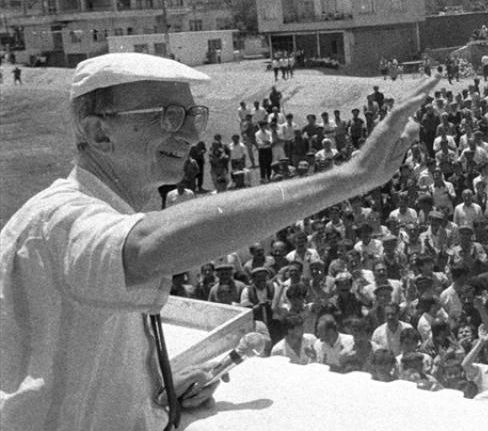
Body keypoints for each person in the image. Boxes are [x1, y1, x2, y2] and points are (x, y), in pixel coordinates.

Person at [0, 52, 434, 429]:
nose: (191, 134)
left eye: (193, 116)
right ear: (98, 133)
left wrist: (156, 386)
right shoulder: (59, 220)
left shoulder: (107, 212)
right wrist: (349, 178)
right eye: (169, 116)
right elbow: (147, 248)